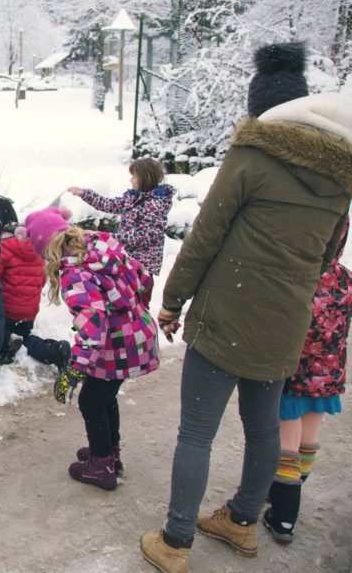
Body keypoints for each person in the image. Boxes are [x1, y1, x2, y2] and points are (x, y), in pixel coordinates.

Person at [140, 42, 352, 573]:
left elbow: (205, 236)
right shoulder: (340, 175)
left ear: (261, 109)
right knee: (262, 429)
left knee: (196, 432)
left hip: (227, 317)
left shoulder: (252, 157)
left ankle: (176, 540)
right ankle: (241, 522)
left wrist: (170, 302)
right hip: (286, 323)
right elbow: (330, 254)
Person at [24, 206, 159, 491]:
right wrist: (134, 310)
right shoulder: (100, 246)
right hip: (134, 335)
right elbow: (145, 278)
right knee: (105, 396)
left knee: (91, 402)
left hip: (116, 346)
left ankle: (102, 465)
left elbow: (92, 330)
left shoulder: (76, 273)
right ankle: (110, 452)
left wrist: (74, 370)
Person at [264, 219, 349, 544]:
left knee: (287, 445)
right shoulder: (344, 278)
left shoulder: (299, 278)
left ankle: (284, 516)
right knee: (308, 439)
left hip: (294, 376)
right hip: (329, 376)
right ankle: (291, 489)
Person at [68, 157, 174, 305]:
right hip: (127, 261)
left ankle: (140, 327)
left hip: (142, 267)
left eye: (134, 176)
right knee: (123, 302)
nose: (131, 180)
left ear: (146, 177)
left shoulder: (156, 204)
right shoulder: (133, 198)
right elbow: (108, 204)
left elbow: (147, 235)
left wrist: (113, 238)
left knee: (138, 305)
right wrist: (84, 193)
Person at [0, 196, 71, 372]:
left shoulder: (2, 246)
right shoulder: (36, 242)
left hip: (7, 313)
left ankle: (4, 349)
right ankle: (53, 350)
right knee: (26, 338)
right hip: (29, 312)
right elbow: (41, 280)